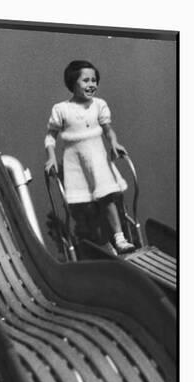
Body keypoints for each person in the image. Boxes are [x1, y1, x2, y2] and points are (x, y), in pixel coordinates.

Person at [44, 60, 135, 254]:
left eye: (94, 80)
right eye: (86, 80)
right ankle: (103, 244)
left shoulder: (99, 105)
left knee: (107, 198)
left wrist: (114, 144)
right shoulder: (61, 109)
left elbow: (108, 131)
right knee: (86, 208)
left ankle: (119, 238)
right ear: (73, 82)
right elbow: (50, 137)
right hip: (75, 163)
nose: (91, 84)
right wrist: (51, 158)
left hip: (98, 159)